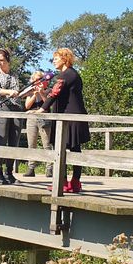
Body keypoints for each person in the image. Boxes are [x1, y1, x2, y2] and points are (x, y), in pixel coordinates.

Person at [31, 47, 90, 193]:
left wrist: (41, 109)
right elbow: (55, 93)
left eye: (56, 58)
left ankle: (64, 183)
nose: (53, 61)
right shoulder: (71, 74)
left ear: (64, 59)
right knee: (73, 148)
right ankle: (74, 182)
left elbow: (54, 94)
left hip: (70, 117)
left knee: (62, 148)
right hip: (71, 116)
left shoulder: (66, 75)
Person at [0, 48, 22, 184]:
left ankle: (9, 172)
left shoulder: (14, 74)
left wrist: (15, 93)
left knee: (14, 141)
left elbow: (17, 91)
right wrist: (10, 92)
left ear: (8, 60)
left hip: (16, 109)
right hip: (1, 108)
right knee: (1, 140)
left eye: (2, 60)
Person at [22, 70, 53, 178]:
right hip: (32, 119)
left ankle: (49, 168)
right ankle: (31, 168)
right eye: (34, 81)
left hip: (44, 118)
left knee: (47, 144)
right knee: (31, 144)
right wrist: (34, 95)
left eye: (39, 80)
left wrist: (41, 92)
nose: (37, 83)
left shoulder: (49, 90)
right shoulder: (30, 91)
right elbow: (27, 106)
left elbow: (47, 104)